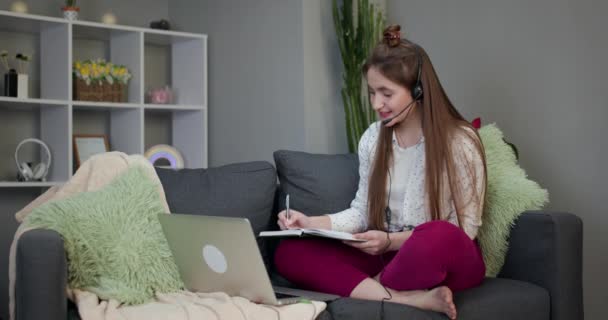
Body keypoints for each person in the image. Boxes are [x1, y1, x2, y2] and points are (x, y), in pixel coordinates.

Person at [273, 24, 487, 319]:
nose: (376, 104)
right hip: (389, 255)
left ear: (417, 90)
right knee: (290, 252)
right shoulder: (373, 138)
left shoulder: (461, 141)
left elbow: (465, 229)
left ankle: (372, 290)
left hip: (444, 255)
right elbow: (361, 212)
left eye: (386, 93)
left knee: (436, 235)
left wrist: (391, 241)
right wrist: (310, 222)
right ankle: (408, 299)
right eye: (372, 92)